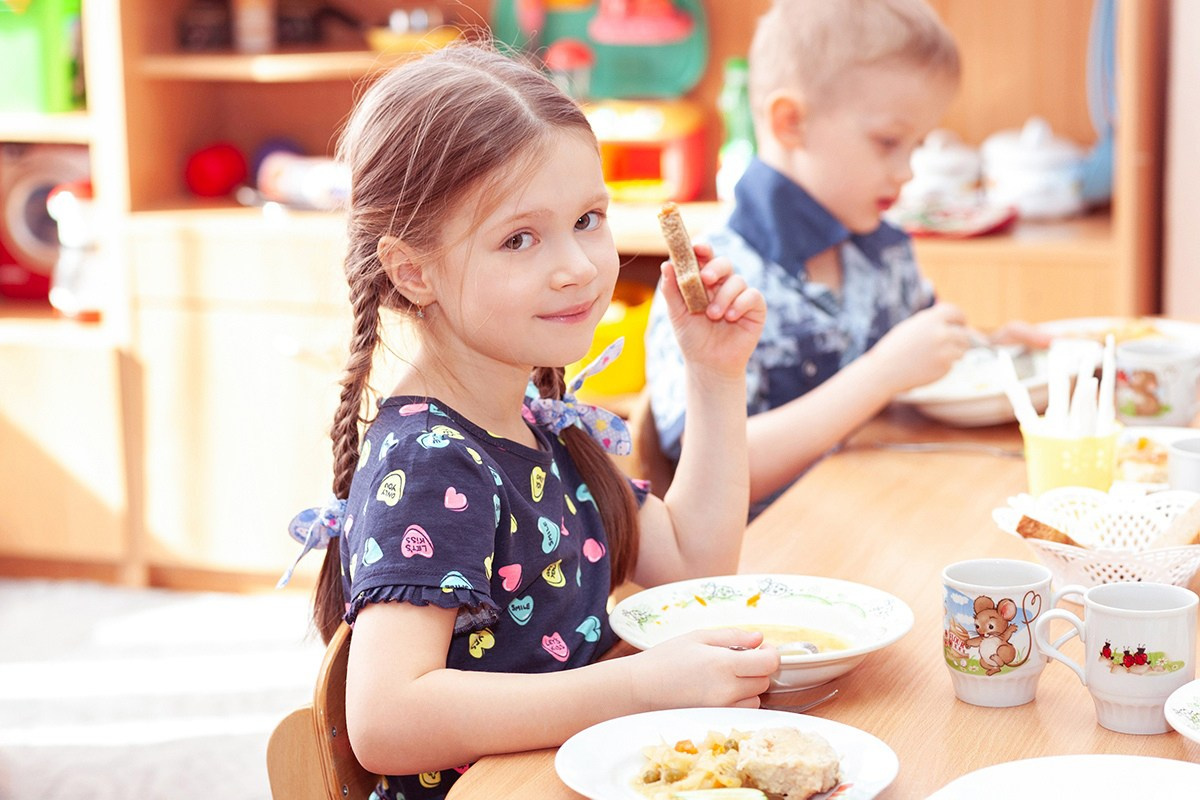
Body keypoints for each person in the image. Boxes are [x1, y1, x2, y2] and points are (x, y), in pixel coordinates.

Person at [290, 44, 775, 800]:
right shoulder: (432, 463)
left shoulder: (541, 422)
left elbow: (692, 569)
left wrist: (715, 372)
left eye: (588, 219)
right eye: (520, 238)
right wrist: (639, 687)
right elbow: (385, 718)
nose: (578, 266)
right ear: (413, 270)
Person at [644, 0, 1049, 513]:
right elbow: (701, 468)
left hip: (882, 514)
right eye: (888, 142)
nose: (907, 172)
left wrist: (990, 349)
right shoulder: (713, 280)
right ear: (791, 122)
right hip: (768, 558)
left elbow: (920, 364)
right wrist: (881, 373)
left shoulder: (885, 249)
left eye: (917, 145)